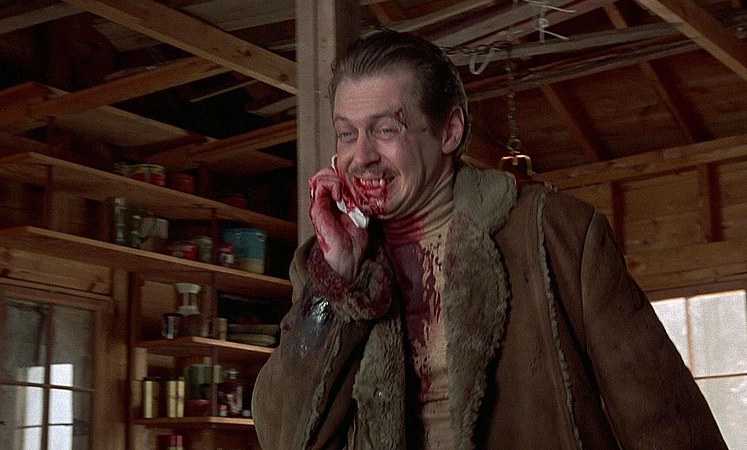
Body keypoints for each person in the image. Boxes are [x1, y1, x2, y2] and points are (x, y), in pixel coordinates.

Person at [251, 30, 727, 449]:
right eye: (346, 134)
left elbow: (663, 419)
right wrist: (335, 281)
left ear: (450, 131)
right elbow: (282, 435)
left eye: (386, 129)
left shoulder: (556, 233)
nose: (362, 156)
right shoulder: (327, 269)